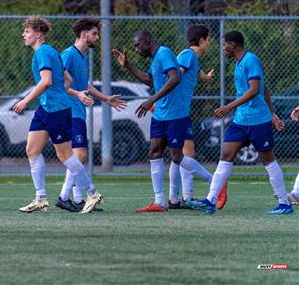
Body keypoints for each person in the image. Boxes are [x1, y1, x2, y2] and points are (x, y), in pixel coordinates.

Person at [187, 31, 293, 215]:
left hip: (258, 120)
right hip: (241, 120)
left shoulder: (251, 60)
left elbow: (255, 90)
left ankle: (284, 203)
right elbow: (264, 88)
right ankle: (210, 200)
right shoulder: (238, 63)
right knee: (226, 154)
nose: (222, 49)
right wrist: (272, 112)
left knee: (267, 159)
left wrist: (230, 107)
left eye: (224, 45)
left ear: (232, 45)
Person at [112, 30, 216, 212]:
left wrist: (151, 99)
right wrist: (127, 65)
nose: (136, 49)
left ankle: (216, 182)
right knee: (154, 152)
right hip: (161, 113)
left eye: (137, 45)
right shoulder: (155, 59)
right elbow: (149, 80)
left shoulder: (165, 53)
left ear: (148, 40)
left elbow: (175, 78)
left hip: (175, 114)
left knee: (177, 156)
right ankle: (160, 201)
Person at [14, 16, 102, 214]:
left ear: (38, 34)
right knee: (32, 150)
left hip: (55, 109)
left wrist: (25, 100)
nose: (24, 35)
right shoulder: (50, 51)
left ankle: (92, 193)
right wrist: (63, 92)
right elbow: (68, 78)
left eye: (27, 32)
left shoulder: (43, 52)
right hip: (46, 107)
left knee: (65, 156)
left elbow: (45, 81)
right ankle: (40, 198)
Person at [56, 18, 127, 212]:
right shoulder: (68, 55)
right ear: (84, 33)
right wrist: (76, 95)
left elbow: (83, 85)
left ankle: (78, 200)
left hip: (78, 110)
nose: (97, 37)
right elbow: (57, 82)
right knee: (80, 154)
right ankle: (64, 197)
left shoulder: (82, 56)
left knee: (78, 156)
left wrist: (105, 98)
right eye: (94, 33)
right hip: (69, 110)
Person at [166, 24, 226, 209]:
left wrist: (205, 77)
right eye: (208, 39)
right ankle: (210, 183)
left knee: (179, 154)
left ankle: (177, 198)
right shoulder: (187, 55)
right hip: (177, 112)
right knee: (186, 153)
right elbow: (176, 74)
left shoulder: (192, 58)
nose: (209, 43)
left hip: (179, 111)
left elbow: (194, 71)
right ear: (201, 40)